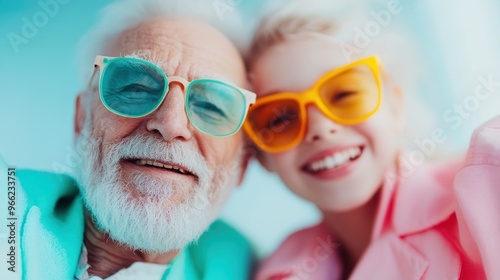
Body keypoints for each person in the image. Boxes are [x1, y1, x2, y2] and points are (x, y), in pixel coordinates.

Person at [242, 1, 500, 279]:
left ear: (395, 104)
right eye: (280, 118)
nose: (320, 128)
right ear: (260, 153)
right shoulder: (272, 271)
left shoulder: (487, 182)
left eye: (345, 94)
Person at [1, 0, 257, 279]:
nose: (170, 124)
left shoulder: (248, 267)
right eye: (136, 88)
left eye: (210, 107)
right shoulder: (10, 206)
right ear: (81, 118)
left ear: (243, 161)